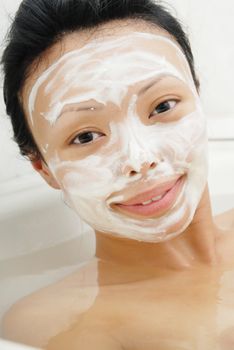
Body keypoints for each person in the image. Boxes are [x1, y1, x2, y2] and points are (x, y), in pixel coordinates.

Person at [1, 0, 234, 349]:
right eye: (85, 136)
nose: (139, 159)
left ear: (197, 96)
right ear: (43, 168)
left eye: (161, 106)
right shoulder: (58, 326)